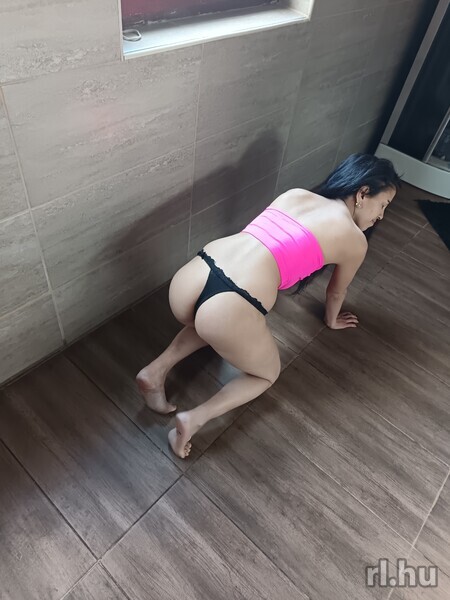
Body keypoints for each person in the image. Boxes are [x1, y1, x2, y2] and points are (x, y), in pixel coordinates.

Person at [136, 153, 401, 458]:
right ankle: (193, 419)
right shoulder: (355, 240)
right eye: (383, 205)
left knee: (210, 320)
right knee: (265, 374)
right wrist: (332, 320)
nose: (381, 216)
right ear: (363, 193)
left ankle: (154, 373)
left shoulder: (297, 194)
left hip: (192, 276)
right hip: (231, 303)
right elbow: (335, 293)